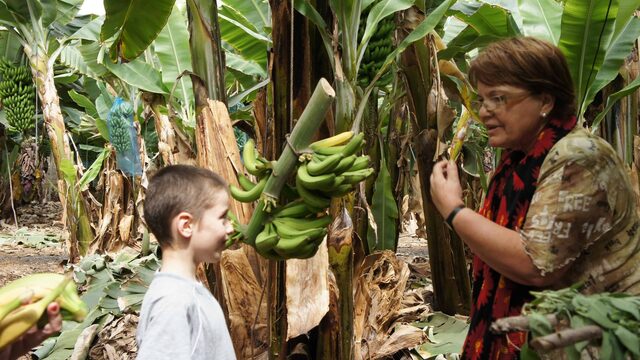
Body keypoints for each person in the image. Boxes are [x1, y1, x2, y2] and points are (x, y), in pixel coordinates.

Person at [430, 36, 640, 359]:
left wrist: (455, 210)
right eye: (482, 99)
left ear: (545, 101)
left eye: (498, 98)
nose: (484, 111)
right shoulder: (520, 161)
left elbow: (535, 264)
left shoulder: (577, 157)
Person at [136, 165, 236, 359]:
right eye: (223, 218)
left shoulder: (183, 292)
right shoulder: (174, 302)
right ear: (186, 225)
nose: (231, 228)